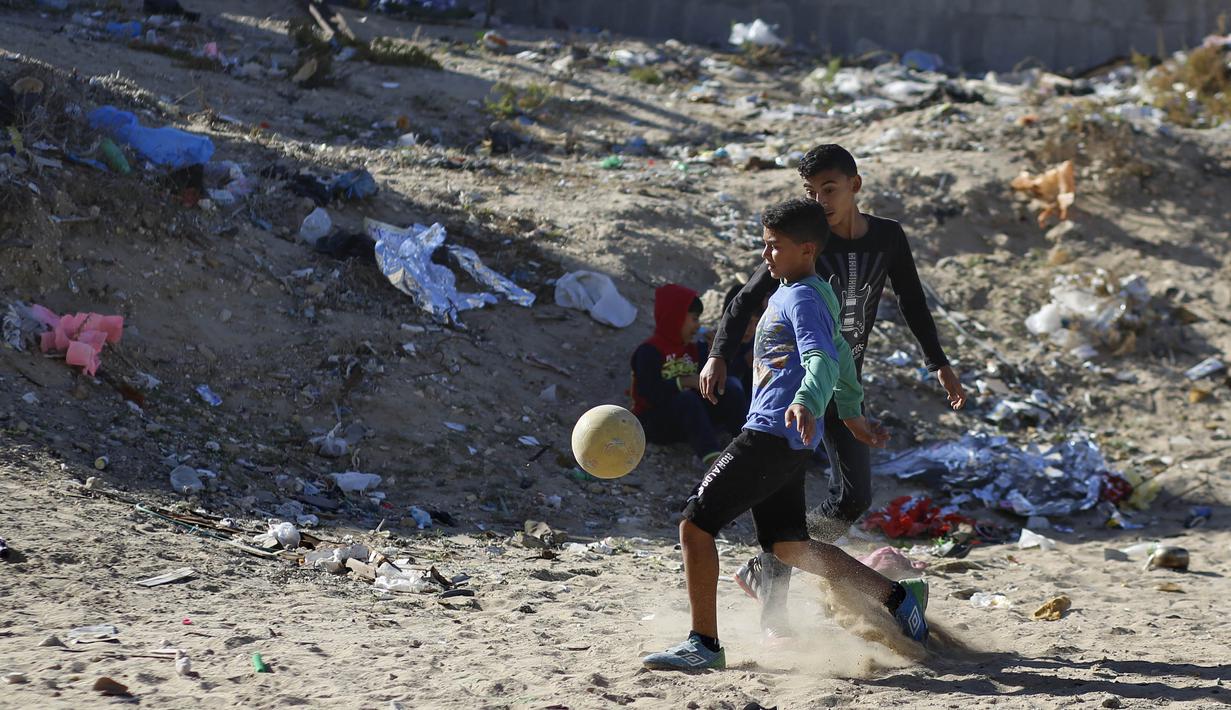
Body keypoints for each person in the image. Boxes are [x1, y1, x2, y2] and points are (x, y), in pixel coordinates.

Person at [642, 199, 927, 671]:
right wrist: (852, 414)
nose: (765, 255)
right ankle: (896, 598)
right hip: (789, 440)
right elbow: (843, 358)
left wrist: (807, 401)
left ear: (807, 249)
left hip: (771, 433)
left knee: (695, 524)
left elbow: (823, 359)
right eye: (764, 244)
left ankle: (704, 644)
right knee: (788, 546)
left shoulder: (803, 298)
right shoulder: (808, 292)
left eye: (775, 246)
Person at [702, 144, 966, 638]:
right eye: (811, 191)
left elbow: (912, 300)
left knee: (853, 497)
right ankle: (775, 600)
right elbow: (745, 299)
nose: (820, 200)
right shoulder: (806, 245)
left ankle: (773, 561)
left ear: (854, 186)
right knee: (778, 503)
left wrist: (939, 364)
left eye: (829, 189)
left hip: (842, 387)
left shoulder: (887, 238)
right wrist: (718, 353)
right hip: (794, 394)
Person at [630, 284, 747, 468]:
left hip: (690, 418)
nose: (698, 325)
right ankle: (714, 462)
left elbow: (715, 380)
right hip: (654, 422)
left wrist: (715, 353)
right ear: (675, 318)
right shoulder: (650, 351)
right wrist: (684, 382)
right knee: (686, 399)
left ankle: (746, 444)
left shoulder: (693, 349)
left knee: (731, 389)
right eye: (694, 319)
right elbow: (648, 393)